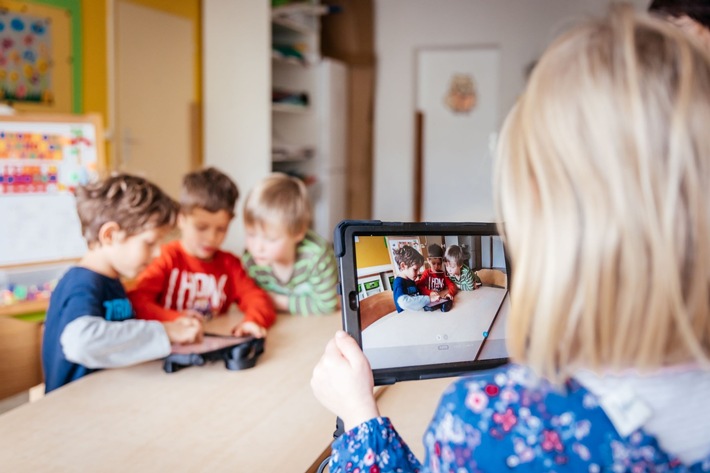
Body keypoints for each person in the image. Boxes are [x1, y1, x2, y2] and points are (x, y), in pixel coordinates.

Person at [311, 5, 710, 471]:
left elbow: (458, 286)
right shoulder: (415, 286)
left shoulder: (489, 424)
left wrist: (361, 419)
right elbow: (419, 298)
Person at [42, 174, 202, 393]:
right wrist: (165, 331)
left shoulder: (113, 281)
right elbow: (80, 342)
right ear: (110, 235)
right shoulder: (82, 284)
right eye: (150, 242)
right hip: (75, 408)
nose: (158, 253)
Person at [128, 167, 275, 338]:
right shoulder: (165, 258)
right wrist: (176, 319)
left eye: (221, 229)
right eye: (201, 227)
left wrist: (253, 321)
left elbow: (257, 298)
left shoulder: (229, 264)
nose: (211, 238)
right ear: (181, 219)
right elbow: (138, 302)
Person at [241, 173, 338, 316]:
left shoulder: (316, 256)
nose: (257, 247)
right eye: (251, 234)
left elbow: (327, 305)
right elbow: (249, 299)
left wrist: (276, 301)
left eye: (270, 239)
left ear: (298, 232)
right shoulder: (251, 260)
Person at [391, 245, 439, 313]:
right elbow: (403, 302)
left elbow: (417, 297)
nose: (419, 272)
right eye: (415, 269)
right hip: (407, 318)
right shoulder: (398, 282)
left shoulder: (411, 280)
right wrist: (429, 299)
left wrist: (430, 294)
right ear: (403, 266)